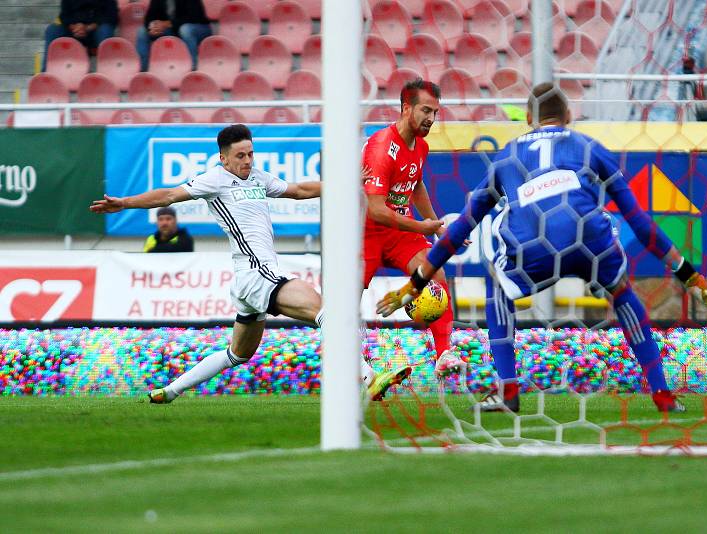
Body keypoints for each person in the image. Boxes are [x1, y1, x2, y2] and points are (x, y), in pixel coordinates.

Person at [377, 83, 707, 413]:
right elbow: (639, 221)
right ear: (569, 115)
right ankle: (663, 394)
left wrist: (415, 284)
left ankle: (508, 392)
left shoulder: (509, 156)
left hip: (533, 247)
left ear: (528, 119)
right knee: (621, 291)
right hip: (591, 240)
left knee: (498, 286)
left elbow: (462, 226)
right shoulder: (588, 146)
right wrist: (690, 276)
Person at [91, 124, 406, 403]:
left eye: (250, 154)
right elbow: (170, 195)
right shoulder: (213, 180)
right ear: (224, 158)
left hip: (249, 282)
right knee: (327, 312)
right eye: (240, 156)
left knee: (238, 354)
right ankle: (368, 377)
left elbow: (298, 191)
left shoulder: (257, 177)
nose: (247, 161)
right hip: (259, 274)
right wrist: (126, 203)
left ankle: (170, 391)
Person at [362, 78, 464, 378]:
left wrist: (435, 227)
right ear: (406, 108)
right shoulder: (382, 146)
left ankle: (445, 353)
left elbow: (415, 183)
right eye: (425, 111)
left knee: (435, 270)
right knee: (344, 300)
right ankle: (358, 369)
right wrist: (421, 224)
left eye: (435, 112)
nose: (431, 119)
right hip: (364, 233)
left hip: (399, 233)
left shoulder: (421, 146)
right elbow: (377, 211)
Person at [136, 0, 212, 70]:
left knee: (185, 29)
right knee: (142, 31)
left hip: (199, 27)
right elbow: (149, 17)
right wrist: (152, 27)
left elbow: (194, 17)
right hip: (174, 29)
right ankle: (143, 69)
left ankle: (193, 67)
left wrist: (166, 23)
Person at [43, 0, 118, 70]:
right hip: (73, 29)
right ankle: (46, 73)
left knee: (106, 29)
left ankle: (107, 71)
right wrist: (75, 27)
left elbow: (112, 16)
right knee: (52, 30)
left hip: (96, 29)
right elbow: (64, 16)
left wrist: (88, 27)